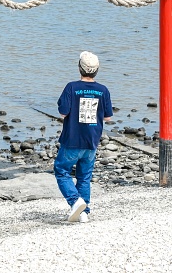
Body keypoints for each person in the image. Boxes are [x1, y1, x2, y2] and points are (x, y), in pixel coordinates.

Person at [54, 50, 113, 223]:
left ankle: (75, 201)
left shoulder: (72, 87)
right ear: (96, 70)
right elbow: (108, 117)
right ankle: (84, 212)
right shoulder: (103, 90)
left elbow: (63, 112)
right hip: (92, 140)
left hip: (72, 139)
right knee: (84, 176)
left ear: (79, 68)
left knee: (61, 170)